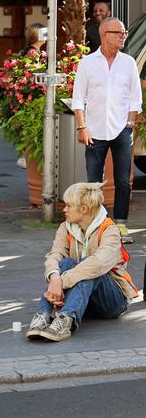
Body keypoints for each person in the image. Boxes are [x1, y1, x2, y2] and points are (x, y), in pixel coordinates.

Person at [26, 182, 137, 342]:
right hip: (82, 299)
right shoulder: (65, 227)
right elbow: (55, 254)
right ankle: (44, 314)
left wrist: (61, 281)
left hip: (112, 302)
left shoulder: (110, 230)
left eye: (69, 205)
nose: (64, 209)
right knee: (65, 263)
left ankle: (65, 320)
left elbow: (98, 264)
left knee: (89, 266)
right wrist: (54, 277)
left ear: (84, 209)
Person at [73, 17, 142, 244]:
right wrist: (82, 127)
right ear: (105, 35)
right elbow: (78, 98)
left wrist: (129, 124)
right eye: (119, 33)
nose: (123, 36)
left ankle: (120, 225)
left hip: (122, 130)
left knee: (123, 181)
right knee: (93, 183)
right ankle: (95, 227)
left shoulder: (128, 63)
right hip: (94, 131)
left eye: (124, 33)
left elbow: (135, 98)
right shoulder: (87, 63)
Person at [15, 23, 47, 170]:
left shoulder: (35, 51)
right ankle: (25, 157)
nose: (47, 36)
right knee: (30, 125)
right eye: (44, 33)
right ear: (37, 35)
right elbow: (34, 74)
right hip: (32, 94)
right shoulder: (33, 52)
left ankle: (26, 156)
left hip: (31, 93)